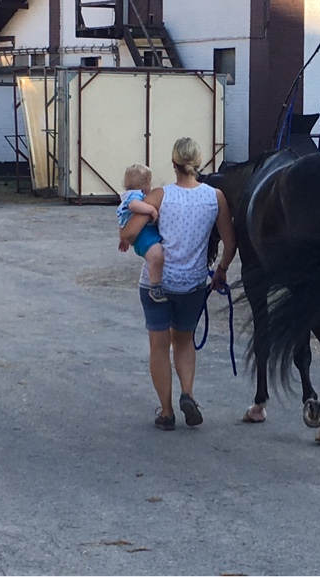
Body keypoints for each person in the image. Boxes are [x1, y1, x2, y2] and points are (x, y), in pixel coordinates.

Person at [119, 137, 237, 431]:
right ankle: (188, 393)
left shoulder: (160, 195)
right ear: (199, 163)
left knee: (159, 346)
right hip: (193, 284)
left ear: (174, 164)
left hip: (157, 283)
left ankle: (167, 412)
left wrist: (142, 241)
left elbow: (129, 233)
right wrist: (221, 270)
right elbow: (230, 242)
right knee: (184, 341)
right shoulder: (215, 197)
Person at [116, 164, 166, 303]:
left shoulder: (129, 196)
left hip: (142, 232)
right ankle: (155, 287)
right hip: (142, 234)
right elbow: (134, 206)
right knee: (156, 256)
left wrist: (123, 239)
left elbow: (122, 221)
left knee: (157, 255)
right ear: (145, 185)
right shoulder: (135, 195)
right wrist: (151, 210)